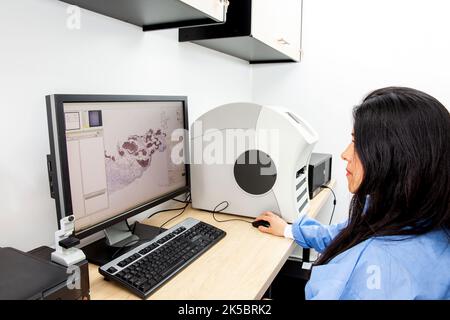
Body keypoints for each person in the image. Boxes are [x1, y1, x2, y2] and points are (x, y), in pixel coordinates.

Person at [255, 87, 450, 299]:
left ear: (397, 158)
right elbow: (347, 235)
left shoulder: (377, 269)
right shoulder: (410, 216)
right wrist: (289, 230)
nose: (345, 154)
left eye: (357, 143)